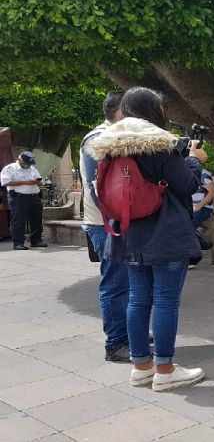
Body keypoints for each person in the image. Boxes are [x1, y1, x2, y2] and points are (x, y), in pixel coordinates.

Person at [87, 87, 205, 391]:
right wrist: (194, 160)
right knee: (166, 300)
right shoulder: (160, 144)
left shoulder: (109, 146)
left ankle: (141, 367)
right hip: (164, 232)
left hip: (127, 231)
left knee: (138, 298)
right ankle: (165, 370)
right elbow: (188, 185)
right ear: (155, 110)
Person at [80, 90, 132, 362]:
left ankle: (127, 332)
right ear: (122, 112)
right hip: (106, 225)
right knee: (115, 283)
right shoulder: (99, 139)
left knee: (125, 282)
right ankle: (116, 343)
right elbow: (98, 187)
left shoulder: (115, 137)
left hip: (116, 222)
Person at [1, 151, 46, 250]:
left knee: (36, 220)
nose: (27, 165)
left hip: (34, 197)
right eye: (26, 163)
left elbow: (40, 180)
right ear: (19, 159)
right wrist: (26, 182)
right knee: (18, 221)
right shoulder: (10, 169)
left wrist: (39, 183)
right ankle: (18, 243)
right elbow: (5, 182)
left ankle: (36, 241)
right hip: (19, 198)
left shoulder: (32, 168)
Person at [188, 147, 214, 269]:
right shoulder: (187, 172)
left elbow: (213, 192)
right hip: (191, 207)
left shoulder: (203, 173)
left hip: (202, 208)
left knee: (188, 228)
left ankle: (192, 257)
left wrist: (199, 206)